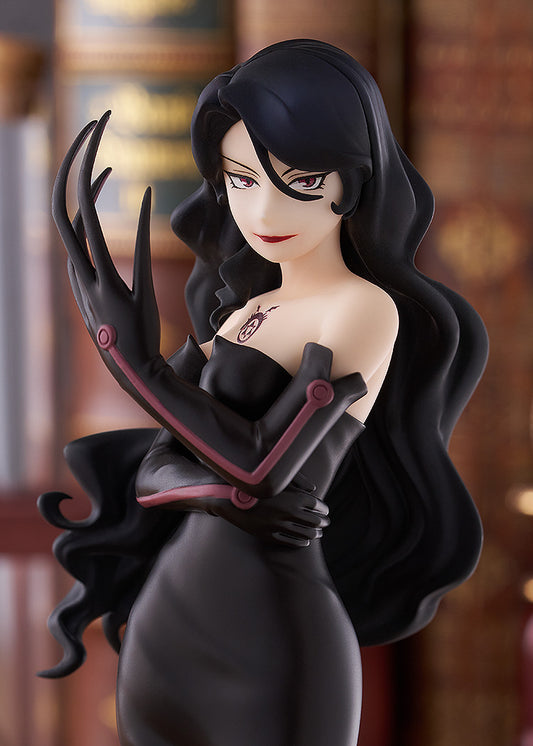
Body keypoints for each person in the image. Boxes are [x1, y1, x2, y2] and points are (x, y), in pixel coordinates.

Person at [39, 40, 488, 746]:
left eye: (300, 180)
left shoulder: (361, 309)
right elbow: (155, 470)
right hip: (166, 631)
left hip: (278, 639)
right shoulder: (242, 311)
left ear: (352, 183)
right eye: (242, 180)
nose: (265, 208)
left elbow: (262, 466)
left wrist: (139, 367)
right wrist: (221, 496)